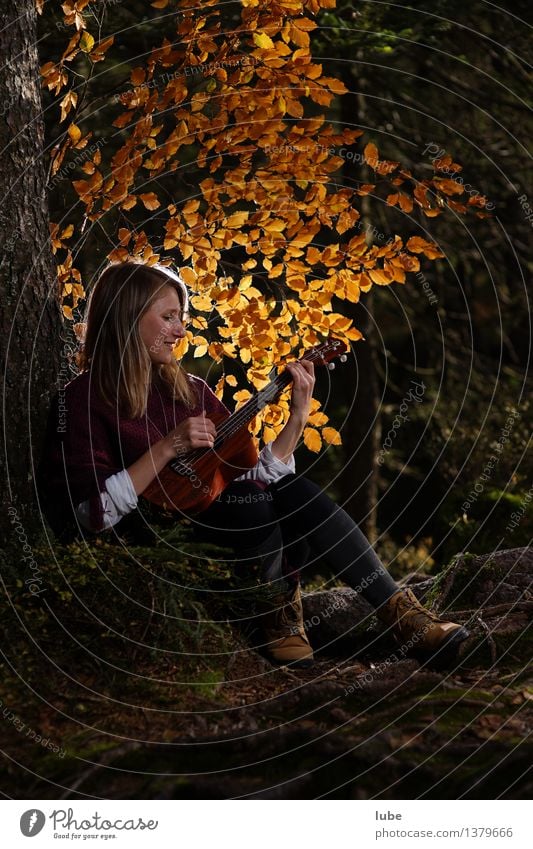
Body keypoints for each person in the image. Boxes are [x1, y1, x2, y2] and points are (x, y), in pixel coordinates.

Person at [38, 260, 469, 668]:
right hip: (161, 541)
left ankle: (403, 618)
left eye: (181, 317)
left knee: (281, 492)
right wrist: (166, 448)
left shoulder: (191, 390)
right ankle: (276, 608)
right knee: (255, 500)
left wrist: (298, 415)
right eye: (168, 317)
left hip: (231, 527)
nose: (180, 330)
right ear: (127, 317)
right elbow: (91, 515)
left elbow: (250, 479)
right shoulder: (81, 401)